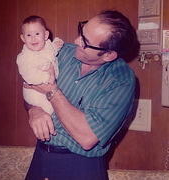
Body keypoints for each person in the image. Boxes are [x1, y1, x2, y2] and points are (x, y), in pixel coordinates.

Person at [24, 10, 140, 180]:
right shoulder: (61, 53)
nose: (77, 41)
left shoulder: (121, 81)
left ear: (108, 55)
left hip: (81, 165)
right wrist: (34, 109)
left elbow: (87, 138)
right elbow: (29, 85)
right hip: (41, 156)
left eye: (85, 42)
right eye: (81, 32)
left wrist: (52, 91)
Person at [16, 15, 63, 115]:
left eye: (37, 34)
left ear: (45, 35)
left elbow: (51, 51)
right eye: (28, 35)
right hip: (35, 94)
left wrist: (56, 45)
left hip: (48, 89)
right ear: (23, 38)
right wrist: (48, 77)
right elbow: (30, 76)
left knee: (58, 107)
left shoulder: (47, 46)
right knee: (50, 111)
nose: (33, 38)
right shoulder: (24, 57)